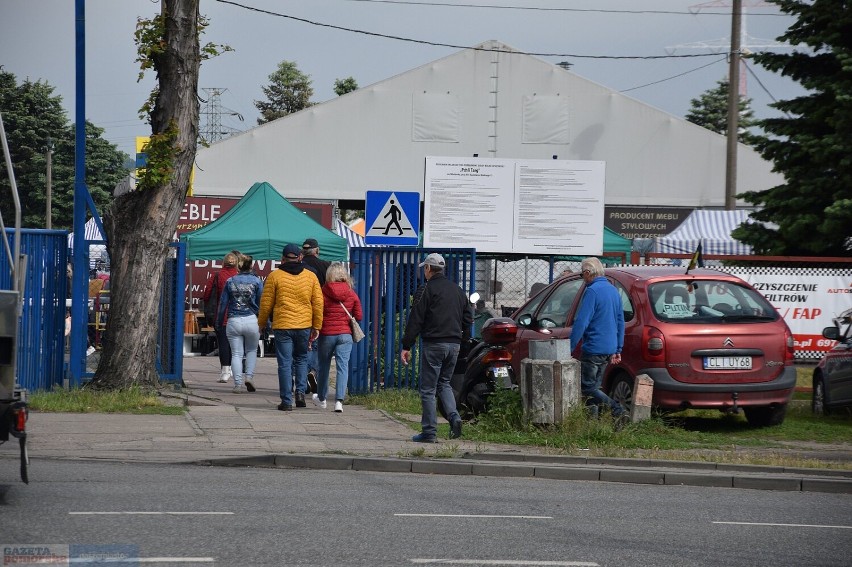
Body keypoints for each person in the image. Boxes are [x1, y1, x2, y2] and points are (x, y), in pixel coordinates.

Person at [400, 253, 472, 442]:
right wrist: (463, 342)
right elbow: (467, 319)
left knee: (428, 389)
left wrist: (406, 345)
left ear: (428, 269)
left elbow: (416, 318)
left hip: (434, 344)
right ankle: (454, 416)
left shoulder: (425, 290)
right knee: (444, 383)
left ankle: (429, 432)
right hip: (454, 345)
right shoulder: (458, 290)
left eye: (424, 268)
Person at [258, 243, 323, 411]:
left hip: (283, 326)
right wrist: (317, 325)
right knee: (302, 358)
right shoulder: (310, 277)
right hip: (304, 325)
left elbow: (266, 304)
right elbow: (317, 303)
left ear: (282, 258)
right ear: (300, 257)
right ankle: (300, 394)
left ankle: (286, 400)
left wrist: (262, 323)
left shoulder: (274, 276)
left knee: (285, 363)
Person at [569, 256, 628, 423]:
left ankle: (617, 410)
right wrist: (618, 348)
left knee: (587, 388)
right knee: (595, 388)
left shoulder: (592, 291)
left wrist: (570, 347)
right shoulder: (613, 291)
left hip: (593, 347)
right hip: (608, 348)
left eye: (582, 275)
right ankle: (592, 423)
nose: (583, 279)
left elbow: (582, 321)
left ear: (588, 273)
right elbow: (619, 321)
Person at [314, 262, 363, 413]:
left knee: (324, 366)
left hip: (327, 334)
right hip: (345, 334)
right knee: (343, 367)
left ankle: (322, 398)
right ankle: (339, 401)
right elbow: (359, 315)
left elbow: (318, 312)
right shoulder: (351, 293)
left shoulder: (323, 292)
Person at [217, 253, 263, 394]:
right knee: (251, 351)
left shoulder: (230, 281)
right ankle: (248, 376)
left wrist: (219, 322)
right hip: (251, 320)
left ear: (239, 266)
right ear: (251, 266)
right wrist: (264, 321)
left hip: (233, 320)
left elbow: (223, 303)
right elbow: (262, 303)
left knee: (236, 353)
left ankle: (237, 384)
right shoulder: (257, 281)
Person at [203, 251, 240, 383]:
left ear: (223, 262)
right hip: (239, 316)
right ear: (237, 263)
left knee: (223, 343)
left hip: (222, 315)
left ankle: (225, 372)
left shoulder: (217, 276)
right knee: (236, 346)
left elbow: (207, 294)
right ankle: (238, 373)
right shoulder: (240, 276)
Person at [300, 238, 331, 392]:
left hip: (300, 311)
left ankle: (302, 379)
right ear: (317, 250)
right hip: (321, 311)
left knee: (302, 348)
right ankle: (313, 372)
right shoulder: (326, 266)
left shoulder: (298, 267)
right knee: (317, 346)